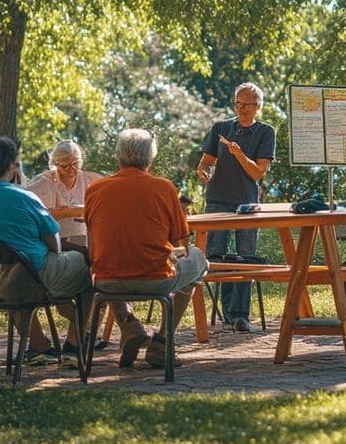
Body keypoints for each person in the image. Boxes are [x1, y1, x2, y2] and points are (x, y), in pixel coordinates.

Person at [0, 136, 97, 366]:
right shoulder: (24, 197)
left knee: (13, 270)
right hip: (32, 280)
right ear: (12, 166)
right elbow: (55, 245)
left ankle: (39, 346)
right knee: (89, 269)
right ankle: (74, 342)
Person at [86, 129, 208, 368]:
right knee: (198, 258)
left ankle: (128, 324)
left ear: (118, 155)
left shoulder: (95, 189)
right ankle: (162, 341)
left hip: (105, 281)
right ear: (151, 158)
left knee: (114, 257)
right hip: (155, 279)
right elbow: (181, 242)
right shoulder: (163, 187)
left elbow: (94, 242)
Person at [195, 82, 275, 332]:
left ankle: (240, 315)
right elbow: (206, 161)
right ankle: (228, 311)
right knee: (217, 257)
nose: (241, 108)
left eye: (247, 104)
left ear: (257, 106)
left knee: (246, 258)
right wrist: (202, 170)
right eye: (238, 103)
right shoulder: (221, 128)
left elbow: (258, 173)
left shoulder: (265, 132)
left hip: (247, 204)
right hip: (217, 200)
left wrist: (239, 154)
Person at [24, 139, 104, 240]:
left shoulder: (90, 179)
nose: (72, 169)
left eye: (75, 163)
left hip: (85, 239)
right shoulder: (44, 183)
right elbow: (36, 215)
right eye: (65, 166)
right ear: (56, 164)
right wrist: (69, 212)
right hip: (54, 241)